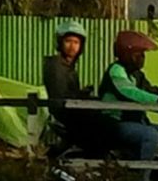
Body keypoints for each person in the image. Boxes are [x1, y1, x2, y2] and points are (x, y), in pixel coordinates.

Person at [43, 20, 116, 155]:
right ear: (60, 42)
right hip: (67, 114)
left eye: (76, 42)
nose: (72, 46)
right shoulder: (55, 65)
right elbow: (60, 96)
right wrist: (81, 96)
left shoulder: (68, 66)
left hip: (73, 111)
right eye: (68, 41)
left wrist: (83, 94)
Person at [99, 30, 158, 178]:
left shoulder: (136, 74)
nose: (142, 58)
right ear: (128, 54)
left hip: (136, 121)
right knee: (150, 135)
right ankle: (142, 177)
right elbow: (129, 91)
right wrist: (156, 100)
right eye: (139, 54)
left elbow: (151, 90)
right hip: (115, 123)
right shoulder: (116, 71)